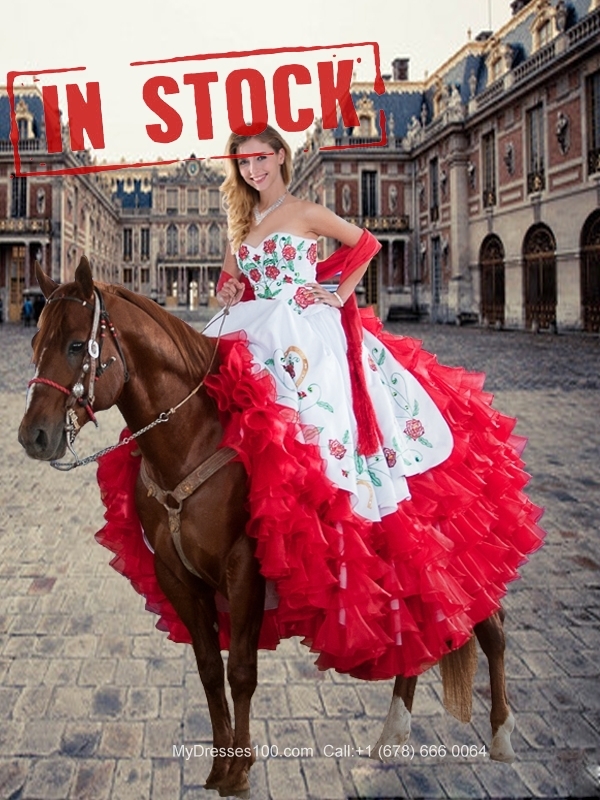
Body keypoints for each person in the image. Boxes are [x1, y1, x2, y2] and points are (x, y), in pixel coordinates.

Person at [98, 126, 544, 680]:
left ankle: (339, 532)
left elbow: (367, 243)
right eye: (243, 163)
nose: (252, 170)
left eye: (260, 159)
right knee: (229, 426)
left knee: (314, 432)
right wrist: (231, 290)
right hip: (255, 328)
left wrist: (336, 292)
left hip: (302, 333)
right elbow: (231, 283)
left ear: (280, 157)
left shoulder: (306, 210)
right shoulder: (245, 224)